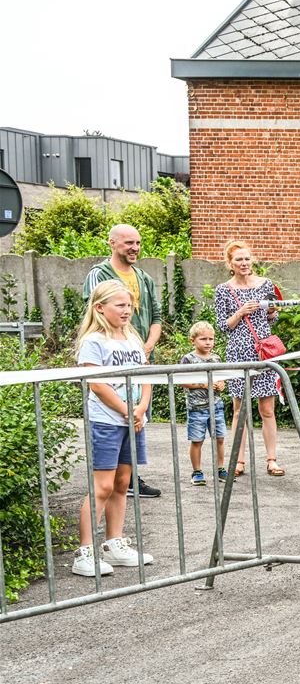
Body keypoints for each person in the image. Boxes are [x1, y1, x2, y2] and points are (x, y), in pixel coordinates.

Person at [73, 280, 154, 576]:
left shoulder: (132, 338)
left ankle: (114, 543)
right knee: (103, 486)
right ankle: (84, 552)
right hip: (106, 422)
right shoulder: (93, 341)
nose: (126, 310)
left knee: (122, 483)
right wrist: (125, 410)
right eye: (120, 305)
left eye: (129, 305)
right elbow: (96, 384)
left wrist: (141, 408)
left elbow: (146, 375)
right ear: (100, 308)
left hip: (134, 421)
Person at [84, 224, 163, 498]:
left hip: (138, 356)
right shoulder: (99, 274)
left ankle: (129, 479)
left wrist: (146, 346)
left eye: (138, 243)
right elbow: (94, 312)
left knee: (138, 417)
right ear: (112, 243)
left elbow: (156, 317)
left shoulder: (144, 278)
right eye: (129, 242)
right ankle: (112, 478)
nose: (135, 248)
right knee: (116, 415)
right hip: (111, 359)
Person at [214, 239, 285, 477]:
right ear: (230, 263)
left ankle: (272, 459)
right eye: (239, 260)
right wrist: (240, 312)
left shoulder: (266, 284)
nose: (244, 263)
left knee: (267, 409)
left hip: (263, 350)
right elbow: (222, 326)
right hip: (238, 352)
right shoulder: (224, 290)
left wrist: (272, 312)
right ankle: (239, 460)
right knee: (239, 410)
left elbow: (272, 319)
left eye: (247, 258)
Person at [179, 321, 228, 486]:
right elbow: (181, 381)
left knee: (220, 438)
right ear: (192, 340)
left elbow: (221, 377)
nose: (208, 342)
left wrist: (221, 384)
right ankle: (197, 471)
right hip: (196, 408)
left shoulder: (216, 358)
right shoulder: (188, 359)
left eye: (211, 339)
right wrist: (202, 384)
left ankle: (221, 469)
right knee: (197, 440)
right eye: (203, 339)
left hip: (216, 405)